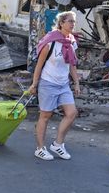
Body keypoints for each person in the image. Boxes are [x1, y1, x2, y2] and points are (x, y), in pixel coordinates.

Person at [29, 11, 81, 161]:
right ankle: (40, 148)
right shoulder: (51, 41)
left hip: (63, 84)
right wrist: (34, 84)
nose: (72, 24)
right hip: (48, 83)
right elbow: (39, 65)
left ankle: (58, 144)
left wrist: (76, 82)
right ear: (61, 23)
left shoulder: (71, 41)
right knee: (45, 116)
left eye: (74, 22)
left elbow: (72, 64)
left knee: (71, 113)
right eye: (70, 21)